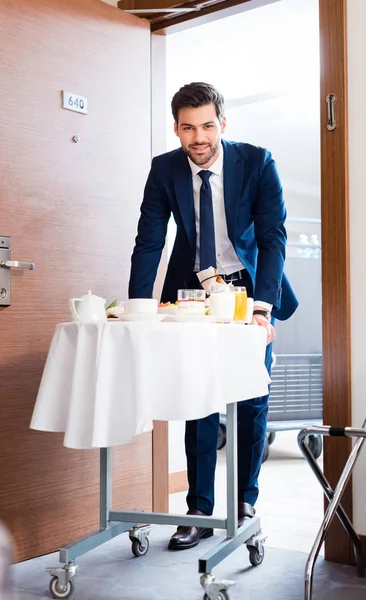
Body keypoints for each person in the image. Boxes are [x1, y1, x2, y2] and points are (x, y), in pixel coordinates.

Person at [129, 82, 298, 550]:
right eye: (188, 128)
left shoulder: (257, 162)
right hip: (191, 289)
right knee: (198, 394)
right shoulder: (164, 169)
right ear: (177, 129)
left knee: (250, 394)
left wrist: (263, 306)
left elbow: (273, 238)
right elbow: (149, 241)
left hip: (247, 287)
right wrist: (139, 308)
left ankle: (243, 502)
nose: (198, 137)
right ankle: (199, 509)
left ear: (223, 123)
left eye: (207, 125)